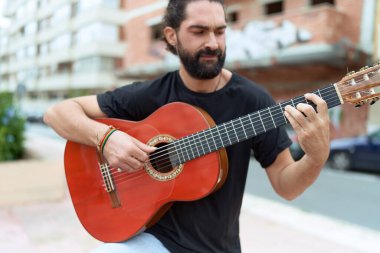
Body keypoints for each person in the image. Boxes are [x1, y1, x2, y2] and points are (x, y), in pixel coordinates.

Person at [43, 0, 331, 252]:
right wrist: (106, 138)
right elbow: (58, 113)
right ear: (172, 35)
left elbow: (286, 186)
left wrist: (315, 158)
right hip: (155, 240)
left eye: (220, 31)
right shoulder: (152, 94)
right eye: (199, 31)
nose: (213, 43)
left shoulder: (253, 101)